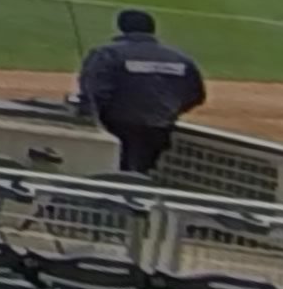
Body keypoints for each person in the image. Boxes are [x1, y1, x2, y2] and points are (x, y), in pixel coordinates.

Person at [77, 9, 206, 174]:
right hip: (159, 127)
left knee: (112, 172)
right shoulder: (181, 58)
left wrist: (92, 117)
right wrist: (168, 112)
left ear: (122, 28)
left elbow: (95, 93)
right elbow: (195, 95)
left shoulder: (108, 53)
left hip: (116, 126)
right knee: (142, 172)